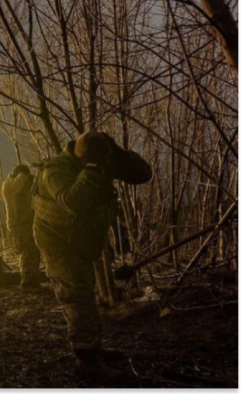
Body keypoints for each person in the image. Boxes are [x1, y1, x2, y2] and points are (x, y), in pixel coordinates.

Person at [31, 131, 152, 379]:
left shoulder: (98, 161)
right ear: (82, 154)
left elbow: (143, 174)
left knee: (86, 292)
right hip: (57, 242)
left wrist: (118, 153)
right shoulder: (54, 170)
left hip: (82, 239)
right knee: (77, 296)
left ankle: (94, 348)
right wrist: (94, 166)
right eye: (99, 155)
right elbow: (72, 200)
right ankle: (86, 359)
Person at [1, 164, 42, 291]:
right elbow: (20, 183)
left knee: (33, 252)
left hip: (27, 223)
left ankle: (33, 282)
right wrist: (25, 175)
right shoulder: (9, 184)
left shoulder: (22, 185)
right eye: (24, 175)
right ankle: (28, 284)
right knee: (27, 252)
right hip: (18, 225)